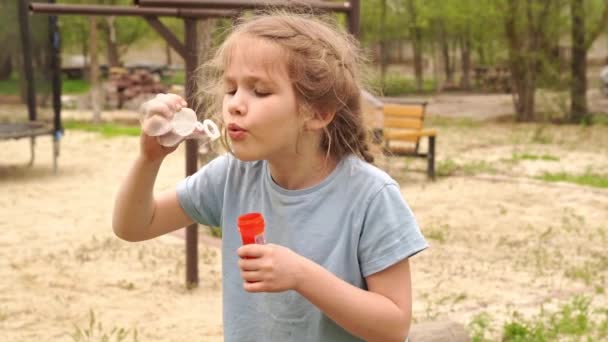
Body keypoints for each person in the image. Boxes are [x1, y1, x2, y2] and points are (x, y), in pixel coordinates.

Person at [113, 12, 427, 342]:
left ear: (317, 113)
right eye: (231, 88)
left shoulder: (371, 196)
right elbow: (134, 226)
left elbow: (394, 326)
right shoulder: (235, 175)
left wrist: (302, 275)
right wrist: (148, 160)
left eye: (260, 91)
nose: (234, 104)